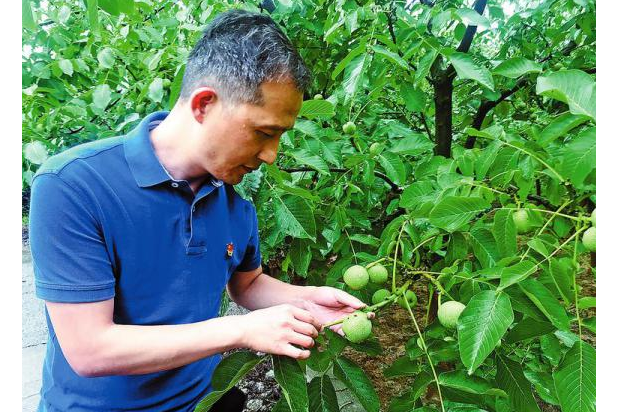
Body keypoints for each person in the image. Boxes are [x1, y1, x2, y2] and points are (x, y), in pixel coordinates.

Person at [29, 9, 372, 412]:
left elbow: (247, 284)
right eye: (264, 132)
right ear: (204, 104)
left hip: (204, 401)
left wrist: (306, 300)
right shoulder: (73, 185)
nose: (272, 156)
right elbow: (90, 350)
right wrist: (241, 330)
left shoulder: (234, 199)